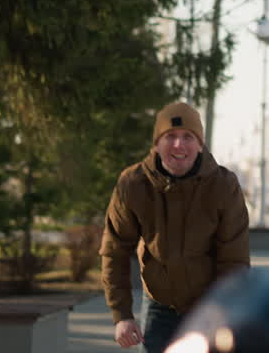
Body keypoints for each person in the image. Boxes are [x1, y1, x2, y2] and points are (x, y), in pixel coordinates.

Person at [100, 101, 250, 352]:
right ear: (157, 144)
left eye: (188, 137)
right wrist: (122, 315)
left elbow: (234, 258)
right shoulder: (133, 184)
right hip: (159, 305)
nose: (179, 145)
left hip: (209, 305)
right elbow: (114, 251)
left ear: (200, 145)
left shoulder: (224, 186)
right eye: (170, 136)